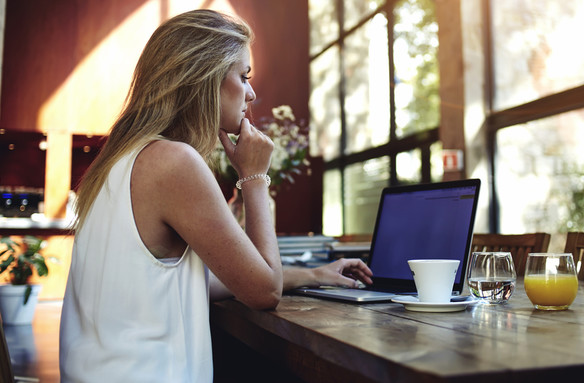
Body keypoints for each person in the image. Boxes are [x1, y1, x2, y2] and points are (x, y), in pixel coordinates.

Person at [59, 9, 373, 383]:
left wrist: (311, 274)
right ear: (205, 77)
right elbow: (263, 292)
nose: (252, 93)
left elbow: (194, 282)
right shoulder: (173, 161)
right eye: (244, 77)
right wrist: (254, 177)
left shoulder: (118, 160)